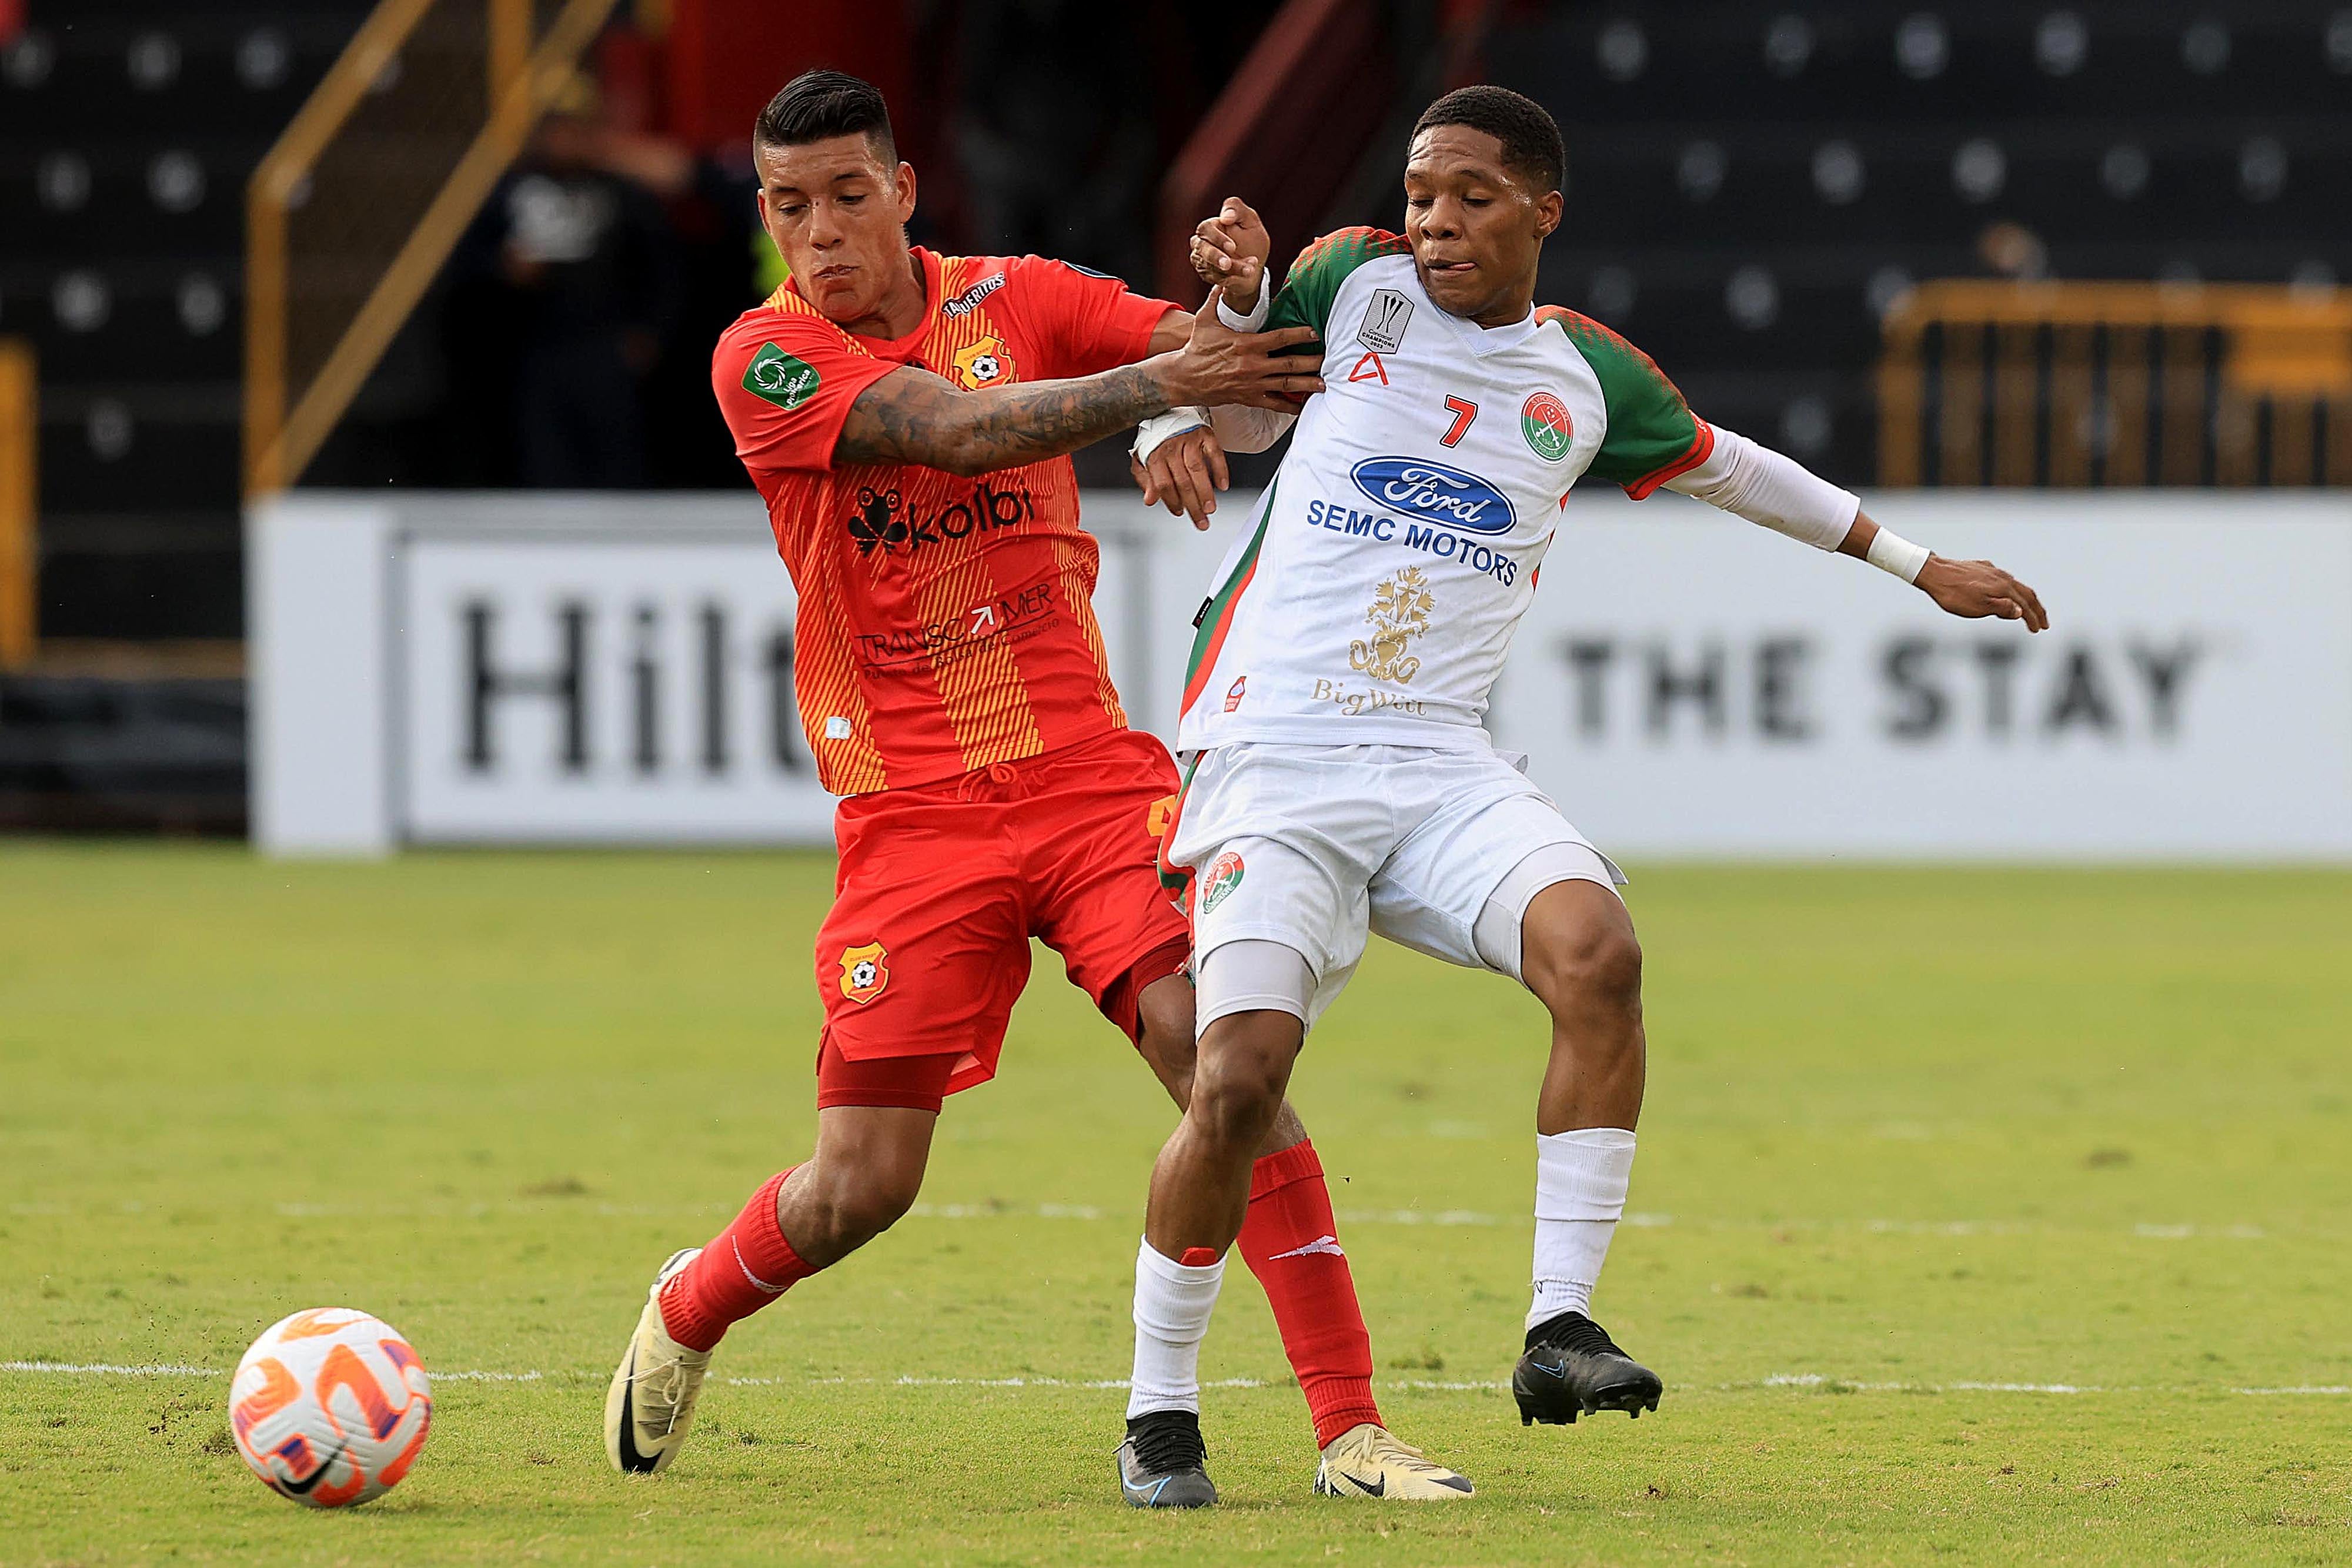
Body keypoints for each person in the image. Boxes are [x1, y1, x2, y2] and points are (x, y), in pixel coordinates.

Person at [1110, 83, 2050, 1506]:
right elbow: (1233, 413)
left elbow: (1733, 468)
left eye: (1469, 197)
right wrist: (1216, 338)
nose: (1434, 222)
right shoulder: (1349, 283)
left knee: (1596, 953)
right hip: (1274, 755)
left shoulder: (1586, 379)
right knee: (1236, 1080)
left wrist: (1919, 567)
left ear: (1542, 211)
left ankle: (1557, 1327)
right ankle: (1159, 1410)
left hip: (1437, 758)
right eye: (1420, 194)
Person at [602, 69, 1475, 1505]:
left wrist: (1240, 302)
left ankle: (1348, 1428)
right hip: (909, 816)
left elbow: (1222, 375)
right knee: (862, 1184)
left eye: (845, 196)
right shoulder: (763, 357)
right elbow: (952, 430)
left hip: (1087, 784)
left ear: (902, 190)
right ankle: (689, 1305)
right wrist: (1153, 398)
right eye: (788, 206)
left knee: (1223, 1061)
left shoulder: (1021, 295)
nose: (818, 232)